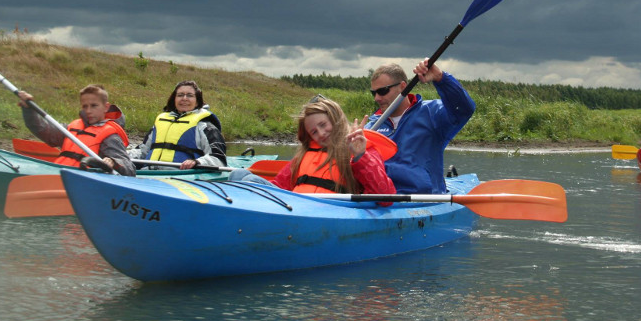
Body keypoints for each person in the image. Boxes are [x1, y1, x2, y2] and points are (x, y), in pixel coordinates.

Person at [230, 96, 396, 199]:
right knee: (238, 174)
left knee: (250, 181)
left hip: (329, 211)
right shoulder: (306, 155)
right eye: (314, 132)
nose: (321, 133)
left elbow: (385, 197)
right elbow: (281, 185)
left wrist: (361, 156)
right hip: (295, 206)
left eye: (323, 125)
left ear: (335, 119)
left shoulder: (361, 150)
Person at [366, 59, 475, 194]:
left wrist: (441, 79)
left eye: (382, 91)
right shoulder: (371, 127)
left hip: (425, 200)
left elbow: (464, 109)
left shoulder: (432, 113)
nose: (376, 98)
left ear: (403, 86)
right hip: (383, 201)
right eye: (374, 93)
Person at [17, 84, 135, 176]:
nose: (88, 110)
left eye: (94, 105)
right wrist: (28, 110)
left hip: (84, 183)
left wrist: (113, 161)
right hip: (59, 175)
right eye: (85, 106)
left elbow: (129, 168)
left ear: (106, 107)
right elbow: (42, 129)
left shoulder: (110, 136)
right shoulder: (71, 128)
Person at [135, 80, 227, 169]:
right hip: (148, 173)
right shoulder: (160, 122)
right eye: (180, 95)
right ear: (174, 99)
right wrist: (123, 155)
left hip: (183, 175)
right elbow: (143, 151)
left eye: (190, 95)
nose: (184, 98)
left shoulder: (206, 127)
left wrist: (197, 162)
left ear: (197, 102)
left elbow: (218, 159)